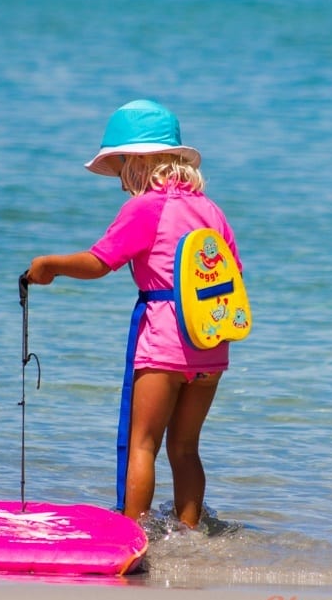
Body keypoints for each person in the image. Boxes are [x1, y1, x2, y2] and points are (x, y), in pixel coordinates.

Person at [27, 99, 242, 529]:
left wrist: (51, 266)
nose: (121, 179)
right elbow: (232, 274)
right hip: (211, 344)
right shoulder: (210, 210)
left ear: (141, 162)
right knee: (185, 449)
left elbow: (99, 262)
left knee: (142, 444)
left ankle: (131, 534)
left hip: (164, 341)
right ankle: (189, 535)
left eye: (122, 162)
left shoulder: (145, 208)